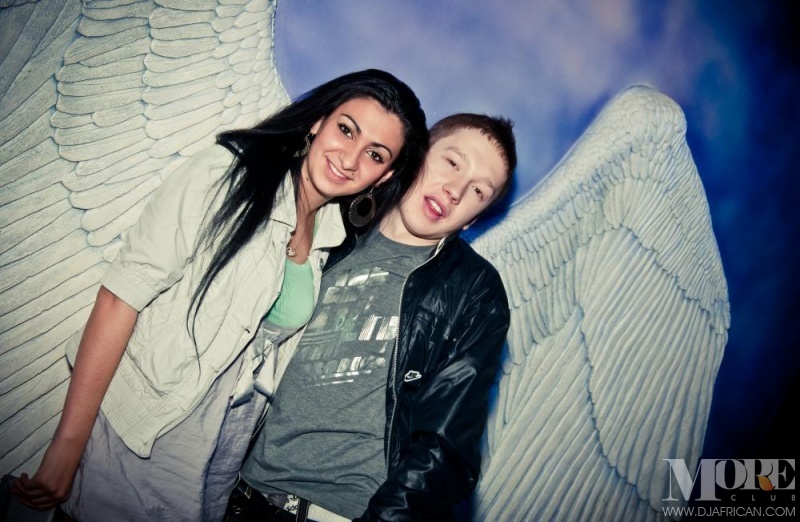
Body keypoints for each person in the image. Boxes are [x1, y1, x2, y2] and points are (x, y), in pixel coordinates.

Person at [12, 69, 429, 521]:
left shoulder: (329, 241)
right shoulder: (227, 176)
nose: (349, 158)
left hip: (217, 462)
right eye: (346, 130)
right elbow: (120, 298)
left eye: (374, 154)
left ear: (383, 176)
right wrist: (68, 444)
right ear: (318, 122)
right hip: (143, 437)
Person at [228, 113, 517, 521]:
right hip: (239, 494)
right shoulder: (330, 225)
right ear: (418, 153)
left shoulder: (474, 292)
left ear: (472, 219)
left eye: (477, 191)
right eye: (452, 163)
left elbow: (445, 448)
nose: (454, 191)